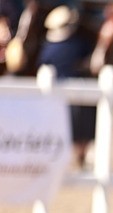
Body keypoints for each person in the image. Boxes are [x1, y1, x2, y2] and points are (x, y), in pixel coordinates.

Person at [37, 4, 96, 166]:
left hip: (55, 97)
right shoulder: (79, 45)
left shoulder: (47, 48)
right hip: (79, 95)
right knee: (82, 128)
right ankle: (81, 157)